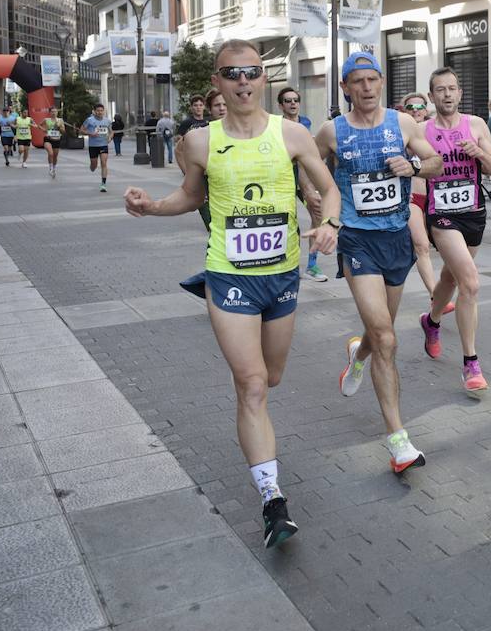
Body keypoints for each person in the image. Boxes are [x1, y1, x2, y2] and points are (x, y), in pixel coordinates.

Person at [124, 39, 339, 549]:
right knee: (252, 385)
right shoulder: (199, 142)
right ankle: (272, 500)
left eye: (252, 72)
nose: (243, 81)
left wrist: (329, 223)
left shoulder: (291, 134)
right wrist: (151, 207)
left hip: (283, 275)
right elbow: (191, 196)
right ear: (217, 83)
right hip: (228, 275)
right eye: (231, 73)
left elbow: (329, 188)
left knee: (274, 375)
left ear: (264, 79)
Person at [318, 51, 443, 475]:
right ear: (345, 88)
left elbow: (435, 162)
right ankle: (399, 441)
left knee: (379, 334)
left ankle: (358, 355)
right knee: (388, 339)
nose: (367, 88)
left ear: (381, 82)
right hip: (357, 240)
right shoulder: (332, 131)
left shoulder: (402, 123)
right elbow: (310, 166)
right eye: (359, 81)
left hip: (396, 239)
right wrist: (316, 202)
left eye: (373, 80)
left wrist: (410, 165)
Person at [419, 67, 491, 395]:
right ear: (431, 96)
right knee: (470, 282)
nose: (447, 95)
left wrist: (479, 152)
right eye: (440, 90)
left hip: (473, 214)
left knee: (450, 278)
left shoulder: (477, 125)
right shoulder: (421, 130)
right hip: (441, 216)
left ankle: (432, 320)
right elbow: (408, 167)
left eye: (452, 88)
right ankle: (471, 362)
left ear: (460, 93)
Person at [276, 88, 325, 282]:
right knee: (287, 221)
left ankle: (312, 265)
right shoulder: (277, 126)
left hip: (304, 175)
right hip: (284, 177)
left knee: (318, 214)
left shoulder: (305, 123)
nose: (293, 104)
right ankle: (287, 265)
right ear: (281, 105)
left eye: (296, 100)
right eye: (288, 101)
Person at [401, 91, 442, 301]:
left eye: (419, 107)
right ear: (404, 111)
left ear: (426, 110)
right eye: (410, 108)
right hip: (412, 197)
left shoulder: (434, 131)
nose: (415, 111)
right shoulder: (400, 134)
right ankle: (436, 296)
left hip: (436, 198)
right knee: (422, 245)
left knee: (431, 247)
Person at [80, 103, 112, 193]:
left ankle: (103, 184)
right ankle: (92, 166)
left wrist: (110, 137)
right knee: (94, 165)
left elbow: (111, 131)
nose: (100, 112)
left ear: (104, 111)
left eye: (101, 111)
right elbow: (81, 130)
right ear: (94, 111)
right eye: (98, 111)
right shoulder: (89, 120)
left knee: (104, 163)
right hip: (93, 146)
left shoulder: (107, 121)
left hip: (103, 145)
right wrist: (91, 134)